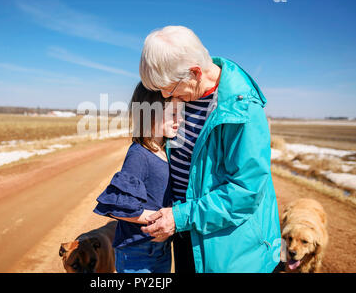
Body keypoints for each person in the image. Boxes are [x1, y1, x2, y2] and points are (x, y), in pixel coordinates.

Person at [139, 25, 281, 273]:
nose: (164, 95)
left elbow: (245, 192)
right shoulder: (183, 95)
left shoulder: (243, 109)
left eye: (169, 88)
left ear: (194, 72)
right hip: (186, 233)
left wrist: (180, 217)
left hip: (229, 247)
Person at [93, 82, 182, 273]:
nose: (179, 120)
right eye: (173, 114)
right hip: (137, 252)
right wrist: (160, 220)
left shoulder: (165, 150)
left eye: (180, 113)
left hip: (160, 249)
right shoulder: (139, 155)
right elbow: (117, 208)